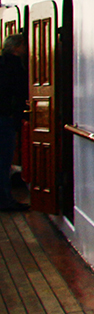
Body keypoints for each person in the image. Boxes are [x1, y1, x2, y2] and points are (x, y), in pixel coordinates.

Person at [0, 34, 29, 211]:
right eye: (24, 45)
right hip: (6, 118)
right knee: (4, 161)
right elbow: (20, 92)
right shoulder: (14, 65)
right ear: (17, 47)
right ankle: (5, 201)